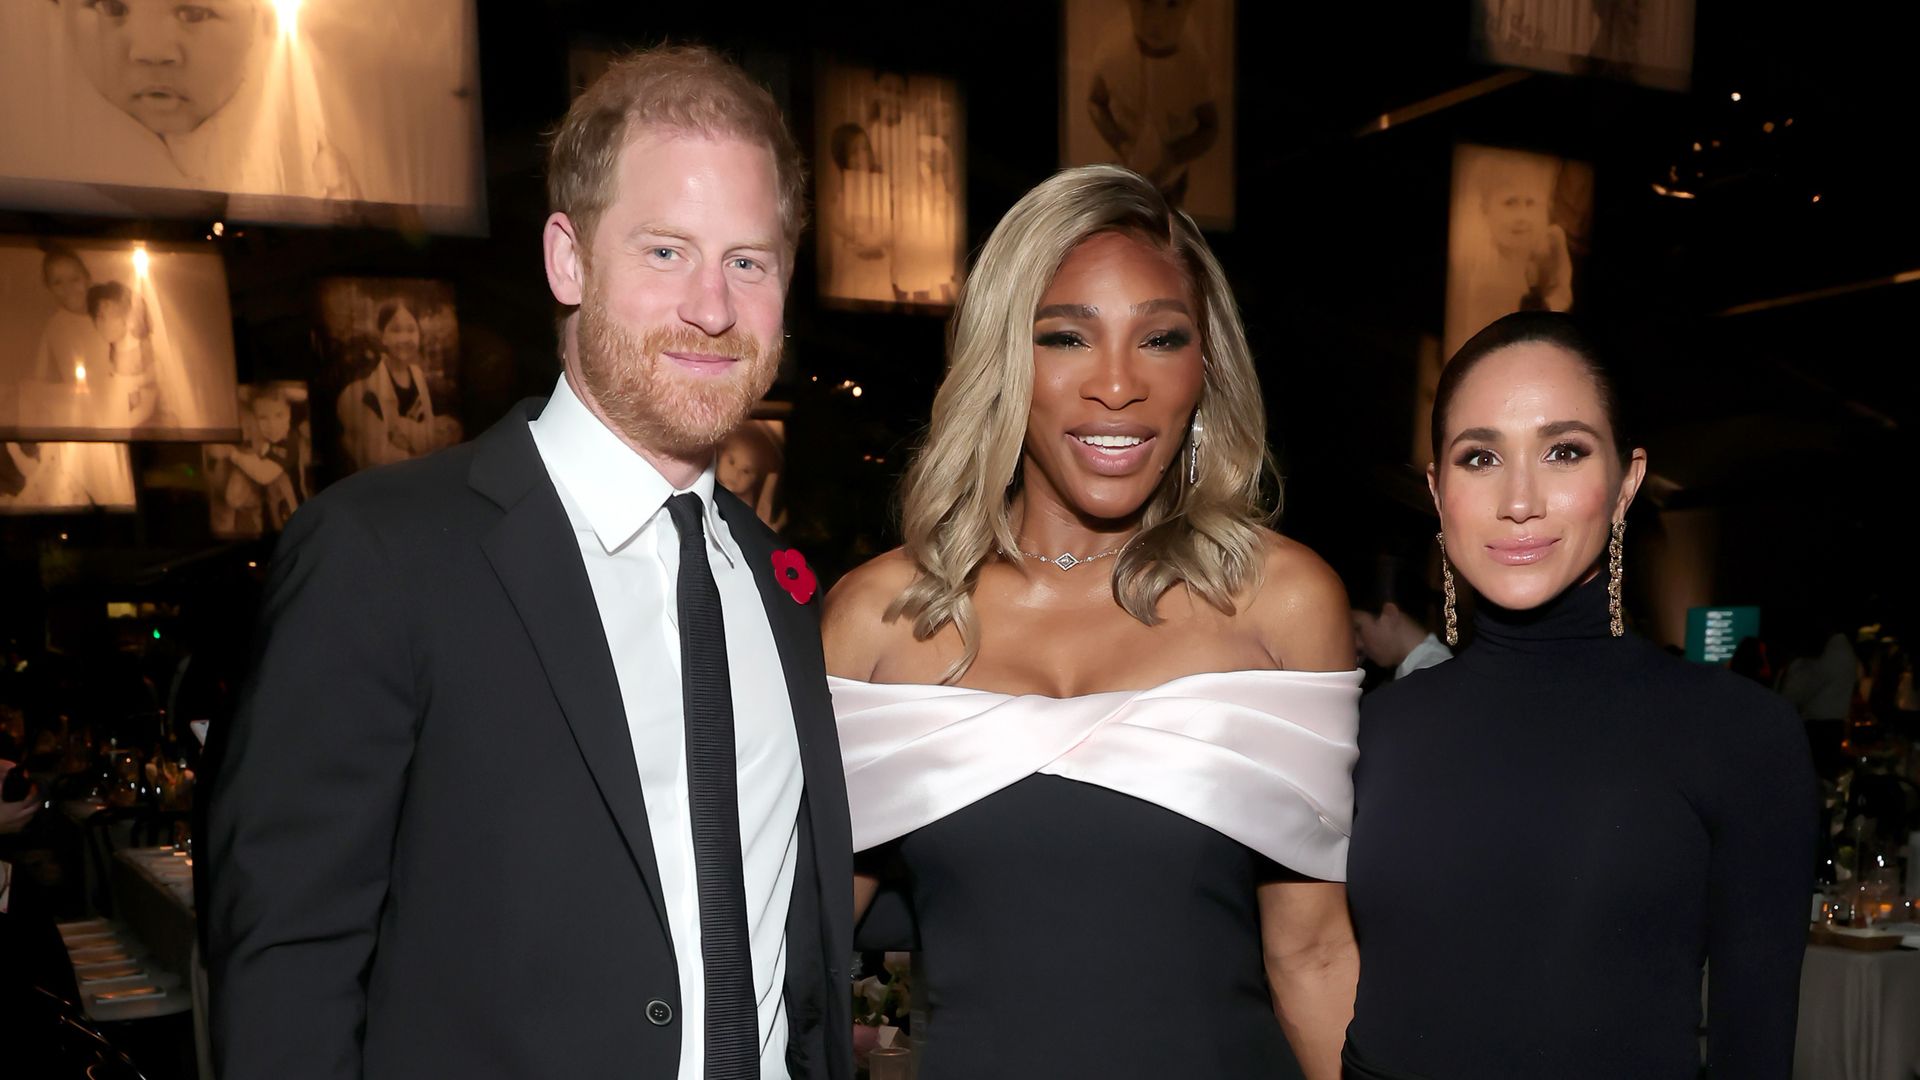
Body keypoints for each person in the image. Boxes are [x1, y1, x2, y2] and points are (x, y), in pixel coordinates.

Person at [207, 45, 853, 1079]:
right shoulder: (382, 555)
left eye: (748, 261)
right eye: (664, 252)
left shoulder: (780, 588)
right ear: (568, 259)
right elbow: (287, 967)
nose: (713, 308)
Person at [824, 165, 1361, 1079]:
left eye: (1160, 338)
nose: (1118, 386)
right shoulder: (882, 619)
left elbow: (1310, 954)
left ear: (1204, 368)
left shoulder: (1281, 602)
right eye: (1066, 336)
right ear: (1004, 361)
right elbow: (800, 947)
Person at [1344, 311, 1818, 1078]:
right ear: (1437, 491)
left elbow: (1753, 1047)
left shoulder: (1739, 735)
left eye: (1563, 451)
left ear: (1626, 481)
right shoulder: (1372, 729)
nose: (1520, 499)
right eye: (1479, 457)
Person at [1086, 0, 1220, 208]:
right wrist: (1120, 142)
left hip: (1171, 181)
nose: (1157, 19)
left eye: (1173, 4)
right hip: (1125, 170)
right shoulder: (1112, 51)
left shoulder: (1195, 64)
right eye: (1147, 3)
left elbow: (1209, 127)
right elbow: (1096, 102)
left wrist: (1174, 155)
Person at [334, 301, 449, 471]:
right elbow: (377, 456)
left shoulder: (417, 375)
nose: (404, 338)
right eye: (396, 330)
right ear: (383, 337)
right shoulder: (365, 390)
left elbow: (430, 434)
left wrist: (407, 434)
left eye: (411, 329)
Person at [207, 388, 306, 534]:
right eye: (263, 418)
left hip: (292, 510)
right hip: (268, 509)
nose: (272, 425)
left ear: (289, 413)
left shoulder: (289, 442)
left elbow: (264, 474)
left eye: (279, 415)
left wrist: (233, 454)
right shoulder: (262, 439)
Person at [1348, 553, 1451, 681]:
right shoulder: (1424, 669)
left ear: (1389, 614)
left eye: (1358, 628)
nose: (1357, 643)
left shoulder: (1430, 674)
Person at [822, 122, 893, 302]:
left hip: (879, 270)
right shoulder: (839, 197)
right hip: (854, 273)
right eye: (855, 152)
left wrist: (879, 241)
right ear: (843, 158)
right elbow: (837, 225)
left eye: (866, 149)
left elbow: (892, 229)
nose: (863, 156)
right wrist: (859, 238)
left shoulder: (883, 191)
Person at [31, 246, 109, 387]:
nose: (68, 288)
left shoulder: (106, 313)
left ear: (87, 279)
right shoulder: (54, 327)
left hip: (115, 396)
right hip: (79, 403)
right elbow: (40, 378)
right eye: (58, 282)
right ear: (49, 288)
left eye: (74, 279)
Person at [87, 281, 158, 427]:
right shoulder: (113, 351)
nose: (98, 323)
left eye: (104, 316)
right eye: (97, 316)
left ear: (128, 319)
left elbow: (148, 400)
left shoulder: (140, 352)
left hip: (138, 423)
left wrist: (119, 423)